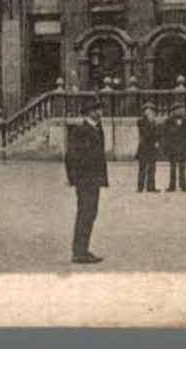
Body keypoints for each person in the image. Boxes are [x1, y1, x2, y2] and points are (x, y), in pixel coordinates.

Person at [64, 98, 108, 264]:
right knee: (85, 213)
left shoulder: (96, 129)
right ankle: (79, 252)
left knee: (90, 213)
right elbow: (71, 156)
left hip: (93, 179)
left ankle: (82, 249)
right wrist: (74, 178)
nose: (101, 113)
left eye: (101, 109)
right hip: (86, 180)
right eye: (97, 110)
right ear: (90, 112)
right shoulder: (81, 130)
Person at [163, 104, 186, 192]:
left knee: (182, 167)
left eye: (182, 109)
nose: (181, 111)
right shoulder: (168, 121)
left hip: (183, 147)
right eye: (179, 110)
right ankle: (172, 186)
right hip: (172, 147)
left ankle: (183, 186)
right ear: (174, 111)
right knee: (172, 167)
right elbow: (166, 133)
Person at [135, 104, 160, 192]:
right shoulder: (141, 121)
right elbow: (145, 134)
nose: (151, 112)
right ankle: (140, 187)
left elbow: (157, 134)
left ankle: (151, 187)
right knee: (142, 167)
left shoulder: (154, 122)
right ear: (144, 112)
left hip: (152, 148)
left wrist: (157, 141)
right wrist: (151, 123)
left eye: (152, 111)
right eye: (148, 110)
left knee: (152, 168)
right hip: (144, 147)